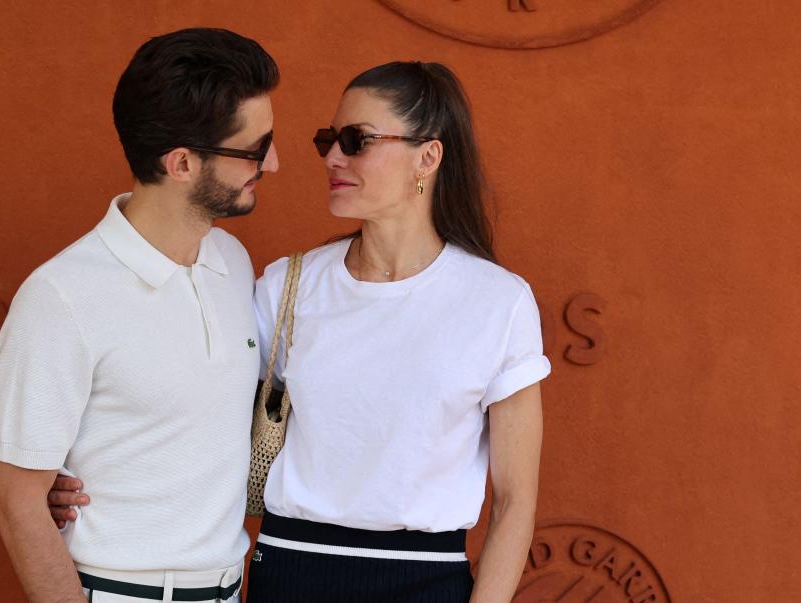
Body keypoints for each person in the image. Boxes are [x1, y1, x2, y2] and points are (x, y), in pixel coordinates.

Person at [51, 61, 549, 603]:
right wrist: (76, 471)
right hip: (288, 573)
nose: (333, 156)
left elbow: (515, 503)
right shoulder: (289, 287)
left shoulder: (497, 304)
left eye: (357, 140)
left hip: (429, 579)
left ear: (427, 157)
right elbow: (188, 402)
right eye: (328, 140)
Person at [0, 28, 279, 603]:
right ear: (181, 163)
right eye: (255, 148)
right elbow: (19, 502)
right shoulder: (61, 297)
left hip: (227, 588)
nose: (273, 162)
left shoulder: (234, 262)